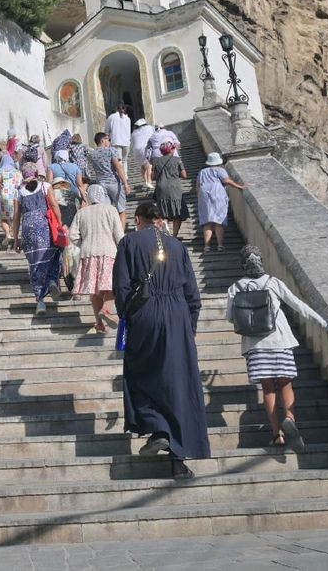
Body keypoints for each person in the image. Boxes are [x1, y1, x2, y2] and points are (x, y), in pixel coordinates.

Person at [114, 201, 211, 478]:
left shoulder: (129, 242)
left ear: (138, 219)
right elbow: (192, 293)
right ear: (160, 219)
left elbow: (121, 287)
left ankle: (157, 427)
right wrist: (190, 325)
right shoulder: (178, 247)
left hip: (146, 314)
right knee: (178, 383)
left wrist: (128, 317)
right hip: (178, 315)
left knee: (141, 372)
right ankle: (177, 460)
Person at [226, 245, 328, 452]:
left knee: (268, 388)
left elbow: (231, 317)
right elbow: (298, 305)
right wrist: (325, 325)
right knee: (286, 384)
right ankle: (290, 419)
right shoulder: (273, 282)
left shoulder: (235, 287)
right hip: (280, 340)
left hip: (255, 345)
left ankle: (277, 435)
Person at [70, 185, 125, 332]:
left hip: (88, 254)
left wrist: (83, 243)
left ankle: (99, 323)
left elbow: (72, 235)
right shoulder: (111, 210)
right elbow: (119, 235)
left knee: (94, 291)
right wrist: (123, 250)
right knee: (111, 286)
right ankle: (106, 310)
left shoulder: (81, 212)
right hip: (108, 252)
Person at [12, 165, 63, 315]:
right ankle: (52, 280)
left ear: (23, 174)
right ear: (36, 173)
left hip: (28, 230)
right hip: (45, 226)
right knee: (54, 253)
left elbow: (16, 217)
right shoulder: (45, 185)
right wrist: (59, 224)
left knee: (35, 264)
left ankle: (40, 301)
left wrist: (16, 239)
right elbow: (54, 205)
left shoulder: (18, 191)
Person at [50, 148, 85, 295]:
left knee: (60, 256)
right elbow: (80, 188)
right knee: (73, 255)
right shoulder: (72, 192)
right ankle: (76, 286)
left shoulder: (52, 193)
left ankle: (59, 282)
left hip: (58, 228)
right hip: (72, 227)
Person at [196, 152, 246, 251]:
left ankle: (207, 246)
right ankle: (220, 245)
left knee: (207, 222)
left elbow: (198, 186)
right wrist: (239, 186)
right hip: (217, 195)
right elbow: (226, 181)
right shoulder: (220, 170)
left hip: (204, 196)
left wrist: (199, 198)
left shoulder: (202, 172)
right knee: (219, 220)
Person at [84, 132, 131, 219]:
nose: (109, 141)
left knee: (106, 211)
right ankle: (121, 228)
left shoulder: (92, 154)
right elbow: (118, 167)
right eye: (108, 139)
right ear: (102, 140)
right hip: (114, 183)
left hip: (101, 184)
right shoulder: (111, 150)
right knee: (121, 210)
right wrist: (125, 183)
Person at [152, 141, 189, 237]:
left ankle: (165, 234)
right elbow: (184, 175)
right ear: (171, 150)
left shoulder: (156, 161)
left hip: (161, 189)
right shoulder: (177, 160)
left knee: (163, 213)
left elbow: (152, 177)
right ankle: (174, 236)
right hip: (174, 189)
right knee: (177, 213)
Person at [0, 153, 22, 251]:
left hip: (4, 197)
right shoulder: (18, 172)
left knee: (4, 218)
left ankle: (7, 234)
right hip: (16, 197)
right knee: (15, 218)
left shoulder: (0, 171)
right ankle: (16, 237)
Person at [130, 117, 156, 188]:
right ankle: (149, 181)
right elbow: (155, 135)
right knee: (149, 164)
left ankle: (145, 181)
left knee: (143, 166)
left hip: (136, 151)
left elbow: (132, 142)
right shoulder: (149, 127)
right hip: (145, 148)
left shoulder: (134, 132)